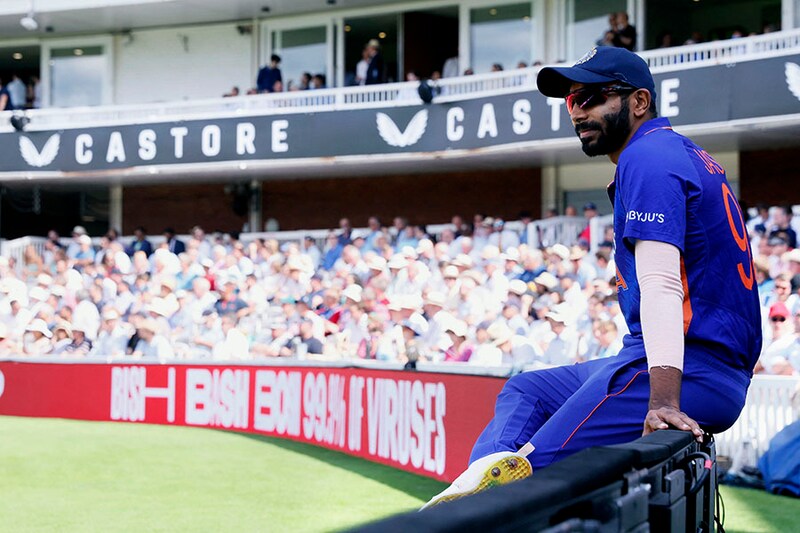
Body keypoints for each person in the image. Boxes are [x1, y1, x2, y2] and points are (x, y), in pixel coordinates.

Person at [423, 46, 762, 508]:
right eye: (571, 101)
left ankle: (479, 508)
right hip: (685, 359)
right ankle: (477, 485)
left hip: (689, 369)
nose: (578, 112)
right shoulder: (674, 151)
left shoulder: (648, 157)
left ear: (639, 102)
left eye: (592, 98)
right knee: (527, 389)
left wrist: (663, 400)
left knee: (531, 486)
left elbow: (664, 284)